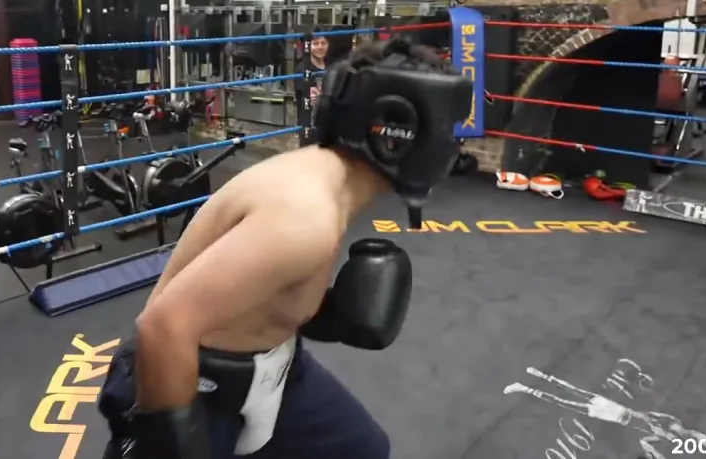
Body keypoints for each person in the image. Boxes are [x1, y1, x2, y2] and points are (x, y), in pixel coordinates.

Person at [97, 37, 473, 458]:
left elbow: (262, 284)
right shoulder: (304, 214)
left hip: (277, 364)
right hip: (186, 381)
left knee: (360, 449)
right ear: (399, 131)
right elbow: (162, 330)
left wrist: (323, 312)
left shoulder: (322, 181)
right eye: (449, 129)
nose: (454, 145)